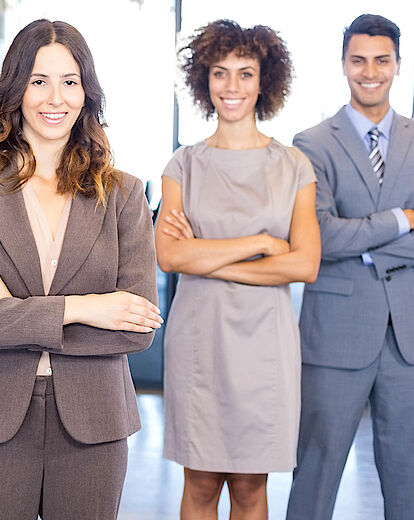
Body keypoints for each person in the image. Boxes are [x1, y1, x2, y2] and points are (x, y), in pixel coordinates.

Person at [0, 19, 161, 520]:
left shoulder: (123, 194)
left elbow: (137, 327)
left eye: (70, 81)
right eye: (38, 81)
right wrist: (86, 309)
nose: (55, 97)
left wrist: (8, 309)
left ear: (86, 93)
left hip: (93, 418)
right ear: (16, 88)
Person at [286, 14, 414, 520]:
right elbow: (321, 236)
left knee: (409, 478)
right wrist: (402, 221)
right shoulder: (312, 143)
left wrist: (363, 243)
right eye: (358, 60)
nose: (370, 71)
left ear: (398, 66)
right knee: (315, 473)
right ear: (344, 65)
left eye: (381, 60)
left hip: (412, 335)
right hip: (336, 335)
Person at [155, 19, 320, 520]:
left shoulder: (293, 166)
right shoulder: (182, 165)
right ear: (204, 80)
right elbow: (169, 258)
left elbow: (306, 264)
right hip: (199, 340)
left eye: (245, 74)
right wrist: (262, 245)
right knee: (200, 483)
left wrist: (208, 256)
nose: (232, 86)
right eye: (220, 73)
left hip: (264, 344)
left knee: (251, 486)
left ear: (263, 82)